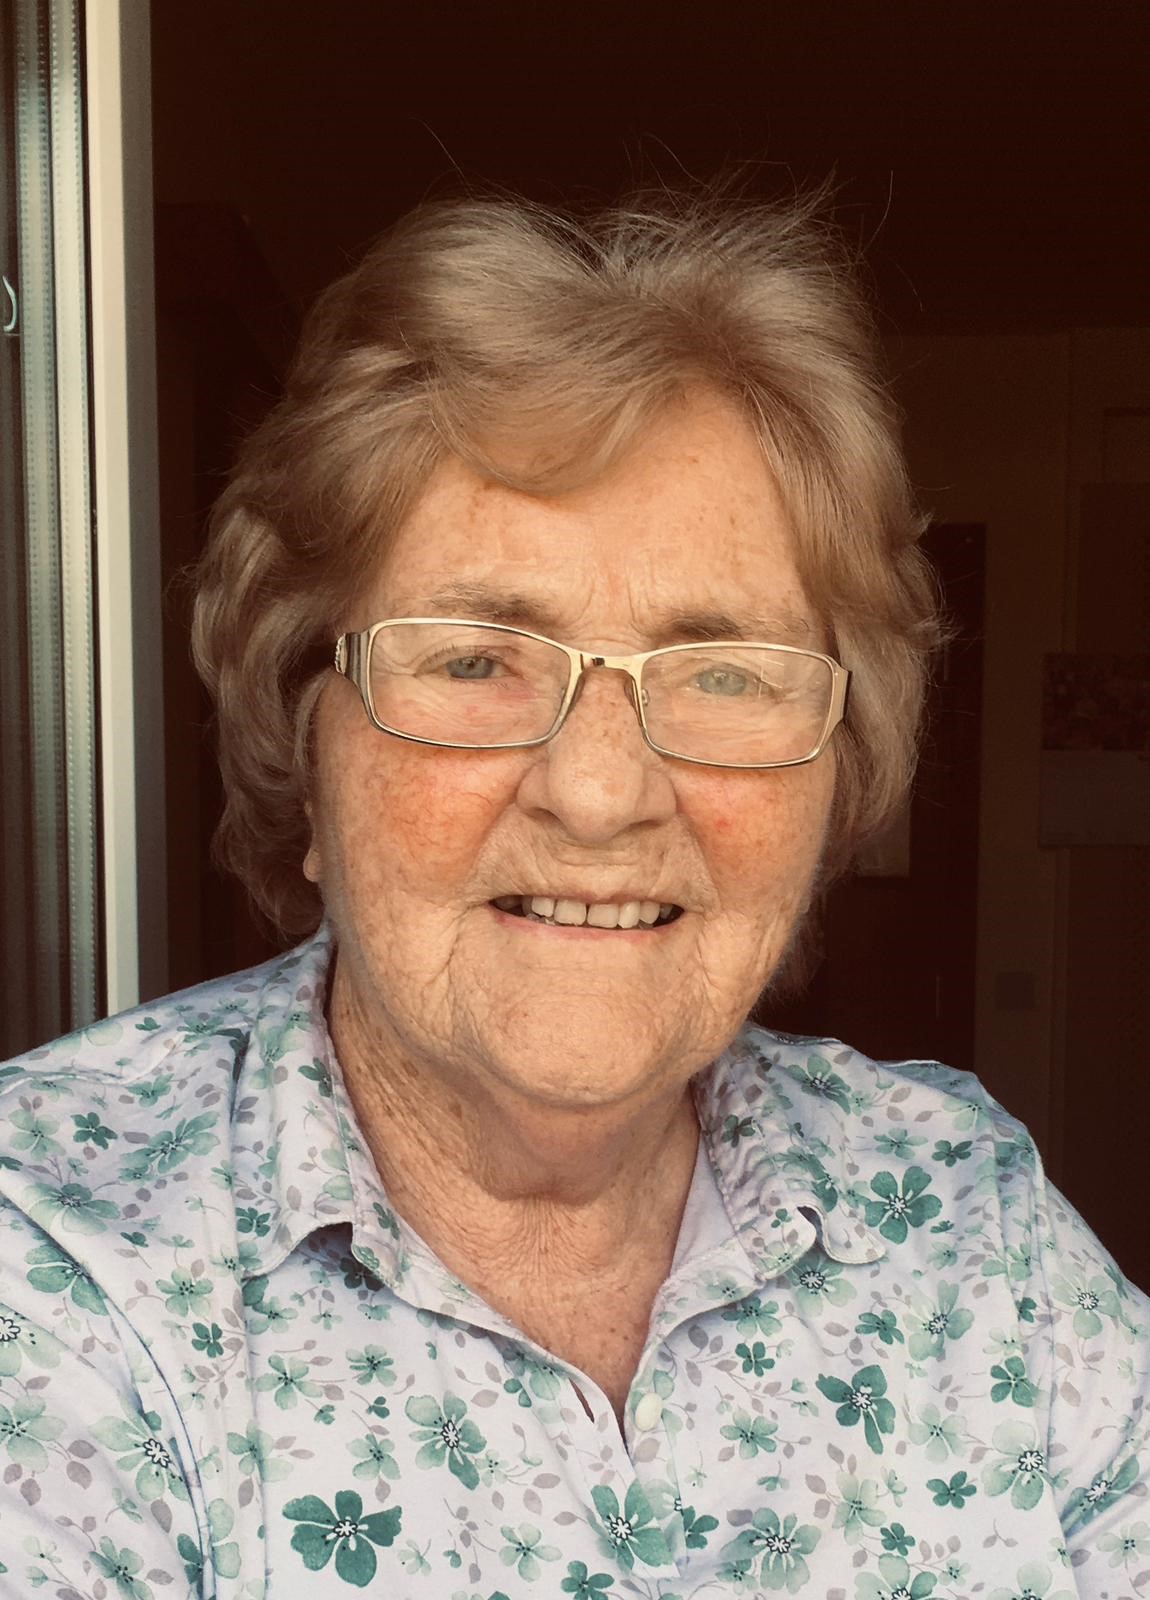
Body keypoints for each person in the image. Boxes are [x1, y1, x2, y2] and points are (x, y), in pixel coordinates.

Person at [1, 190, 1147, 1600]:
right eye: (476, 660)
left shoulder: (963, 1213)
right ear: (305, 745)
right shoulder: (51, 1249)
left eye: (721, 672)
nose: (601, 793)